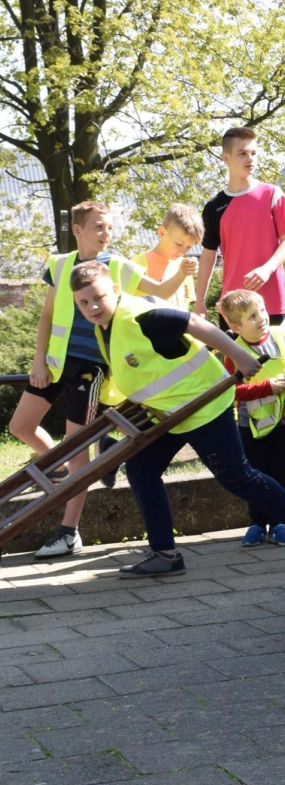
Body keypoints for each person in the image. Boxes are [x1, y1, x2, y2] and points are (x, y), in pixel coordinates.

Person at [69, 260, 285, 577]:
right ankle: (165, 554)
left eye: (97, 297)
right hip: (174, 410)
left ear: (114, 289)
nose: (92, 306)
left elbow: (195, 323)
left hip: (203, 403)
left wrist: (240, 356)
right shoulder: (108, 324)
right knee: (142, 469)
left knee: (237, 476)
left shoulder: (139, 315)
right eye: (84, 302)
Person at [8, 201, 199, 560]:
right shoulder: (60, 264)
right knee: (21, 426)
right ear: (77, 230)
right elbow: (47, 316)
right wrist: (38, 361)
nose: (105, 233)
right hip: (54, 361)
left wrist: (184, 274)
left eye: (109, 227)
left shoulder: (116, 265)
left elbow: (156, 290)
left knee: (77, 446)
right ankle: (75, 464)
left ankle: (69, 532)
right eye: (98, 226)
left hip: (90, 367)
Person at [217, 289, 285, 547]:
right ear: (235, 326)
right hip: (251, 427)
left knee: (282, 473)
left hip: (284, 421)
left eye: (262, 311)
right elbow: (229, 390)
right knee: (255, 475)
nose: (262, 318)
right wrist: (266, 388)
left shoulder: (282, 336)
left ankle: (279, 522)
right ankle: (256, 523)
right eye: (252, 316)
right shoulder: (233, 353)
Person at [196, 126, 285, 328]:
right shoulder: (214, 208)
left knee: (279, 360)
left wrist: (267, 269)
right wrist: (199, 303)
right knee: (236, 361)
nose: (250, 159)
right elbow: (208, 256)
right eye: (242, 153)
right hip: (232, 308)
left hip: (271, 305)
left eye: (253, 153)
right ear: (226, 158)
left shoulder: (273, 194)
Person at [132, 204, 202, 310]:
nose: (182, 251)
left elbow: (185, 306)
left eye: (188, 247)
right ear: (162, 233)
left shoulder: (185, 266)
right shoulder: (138, 263)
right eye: (178, 244)